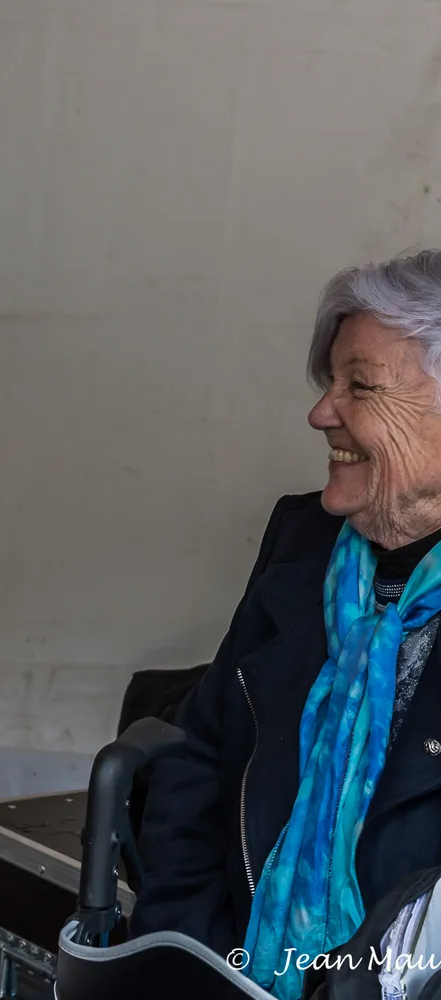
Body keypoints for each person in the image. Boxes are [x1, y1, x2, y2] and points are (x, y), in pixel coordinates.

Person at [130, 249, 441, 1000]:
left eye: (359, 385)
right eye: (329, 381)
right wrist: (194, 960)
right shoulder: (302, 549)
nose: (320, 412)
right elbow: (203, 761)